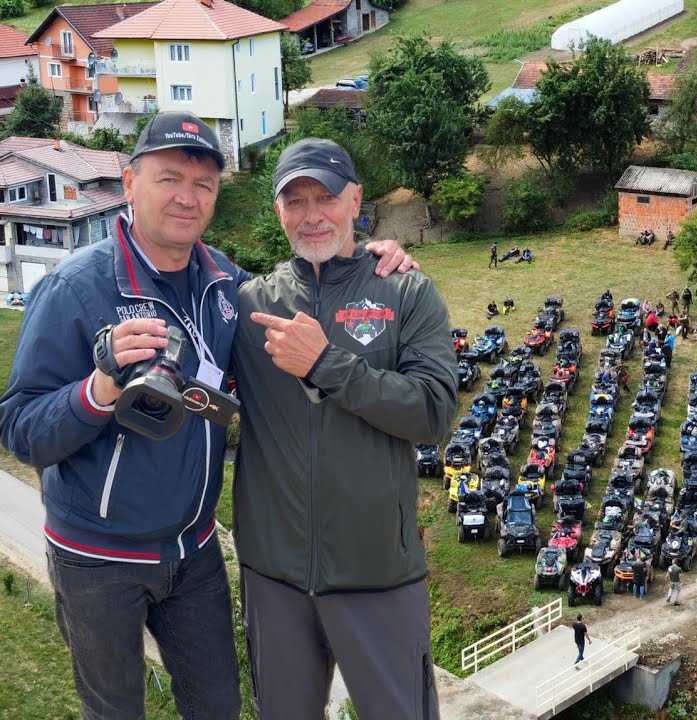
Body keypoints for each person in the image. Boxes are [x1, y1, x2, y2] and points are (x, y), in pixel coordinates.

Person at [0, 115, 413, 719]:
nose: (187, 198)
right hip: (98, 559)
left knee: (219, 707)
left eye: (204, 184)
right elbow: (19, 430)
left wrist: (367, 258)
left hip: (195, 556)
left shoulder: (225, 285)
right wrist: (101, 386)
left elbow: (291, 329)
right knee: (114, 712)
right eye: (170, 179)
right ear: (129, 182)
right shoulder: (75, 288)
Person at [233, 139, 457, 718]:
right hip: (273, 578)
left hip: (378, 576)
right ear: (278, 212)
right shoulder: (248, 303)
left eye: (326, 198)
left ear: (356, 201)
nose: (312, 216)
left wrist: (326, 363)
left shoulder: (405, 290)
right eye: (295, 201)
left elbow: (433, 413)